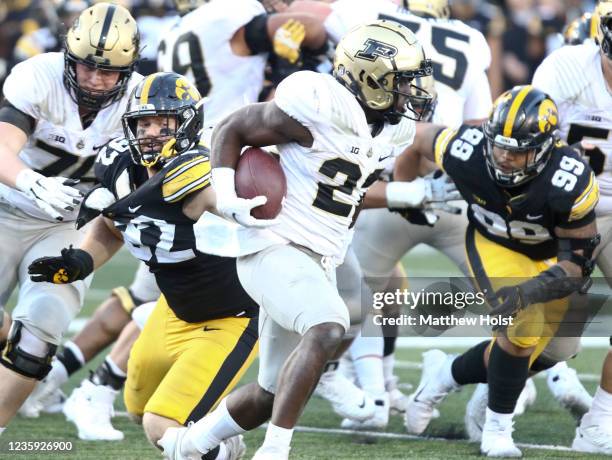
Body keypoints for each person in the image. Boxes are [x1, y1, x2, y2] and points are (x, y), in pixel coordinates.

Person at [155, 19, 436, 460]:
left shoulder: (393, 129)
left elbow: (346, 192)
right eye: (403, 82)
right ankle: (275, 451)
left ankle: (187, 444)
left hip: (322, 254)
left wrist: (405, 194)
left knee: (271, 392)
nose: (413, 91)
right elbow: (234, 127)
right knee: (328, 326)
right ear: (370, 80)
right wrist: (226, 194)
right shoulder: (321, 101)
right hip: (272, 246)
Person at [28, 71, 258, 459]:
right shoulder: (123, 167)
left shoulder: (195, 173)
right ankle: (218, 438)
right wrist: (82, 261)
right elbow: (114, 225)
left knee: (160, 424)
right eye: (144, 122)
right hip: (172, 311)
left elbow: (208, 195)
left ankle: (222, 450)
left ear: (186, 125)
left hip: (231, 319)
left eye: (162, 123)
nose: (150, 132)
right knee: (137, 409)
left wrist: (229, 204)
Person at [403, 85, 600, 457]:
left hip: (550, 260)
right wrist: (404, 191)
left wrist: (529, 290)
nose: (504, 157)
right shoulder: (467, 149)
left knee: (558, 348)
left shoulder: (568, 180)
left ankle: (444, 375)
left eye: (517, 150)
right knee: (523, 326)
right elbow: (415, 138)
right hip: (493, 242)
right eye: (499, 146)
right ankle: (497, 430)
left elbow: (577, 264)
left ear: (544, 149)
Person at [0, 2, 141, 432]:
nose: (96, 80)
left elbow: (125, 209)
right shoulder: (37, 74)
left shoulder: (140, 102)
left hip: (69, 224)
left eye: (109, 72)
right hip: (6, 205)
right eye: (86, 68)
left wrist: (84, 256)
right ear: (68, 56)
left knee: (40, 333)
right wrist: (29, 181)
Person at [532, 1, 612, 452]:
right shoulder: (567, 67)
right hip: (563, 210)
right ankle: (455, 377)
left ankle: (599, 422)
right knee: (554, 347)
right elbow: (526, 141)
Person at [158, 0, 328, 128]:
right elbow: (309, 26)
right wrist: (309, 59)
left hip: (192, 140)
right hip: (237, 138)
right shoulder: (224, 14)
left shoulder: (169, 34)